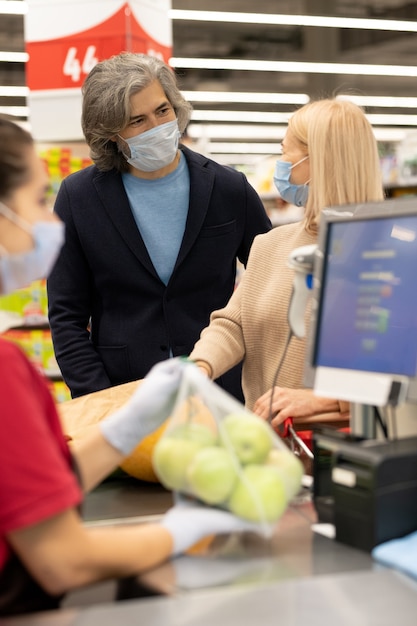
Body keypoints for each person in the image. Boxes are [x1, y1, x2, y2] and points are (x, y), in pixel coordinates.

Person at [0, 116, 262, 617]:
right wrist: (178, 533)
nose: (52, 221)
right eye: (37, 201)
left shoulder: (226, 186)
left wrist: (127, 424)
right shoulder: (5, 369)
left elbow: (25, 491)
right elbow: (64, 562)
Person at [46, 52, 271, 401]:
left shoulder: (229, 189)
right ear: (110, 134)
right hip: (123, 392)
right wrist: (100, 400)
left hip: (220, 391)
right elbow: (67, 317)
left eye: (162, 111)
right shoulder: (79, 198)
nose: (157, 127)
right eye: (137, 121)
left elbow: (271, 284)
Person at [190, 98, 385, 430]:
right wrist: (197, 367)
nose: (280, 164)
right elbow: (234, 325)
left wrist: (325, 399)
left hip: (347, 455)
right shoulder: (271, 244)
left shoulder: (387, 253)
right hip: (269, 449)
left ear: (318, 162)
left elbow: (399, 372)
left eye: (286, 152)